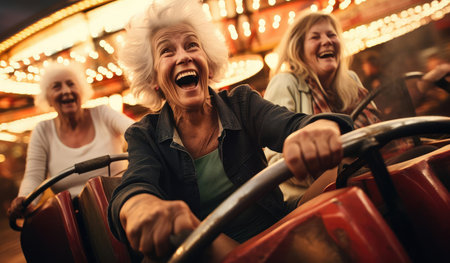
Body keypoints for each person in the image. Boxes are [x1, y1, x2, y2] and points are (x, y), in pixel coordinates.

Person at [107, 1, 353, 262]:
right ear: (153, 79)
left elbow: (294, 124)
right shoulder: (144, 135)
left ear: (209, 65)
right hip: (207, 249)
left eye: (192, 45)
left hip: (274, 225)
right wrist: (140, 205)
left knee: (350, 163)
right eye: (167, 51)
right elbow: (135, 184)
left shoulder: (242, 103)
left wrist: (322, 128)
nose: (183, 56)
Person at [263, 11, 380, 200]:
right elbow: (277, 163)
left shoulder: (352, 80)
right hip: (311, 196)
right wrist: (338, 164)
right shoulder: (284, 82)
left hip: (364, 172)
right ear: (298, 50)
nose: (326, 41)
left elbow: (377, 131)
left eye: (331, 35)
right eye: (315, 37)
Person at [7, 62, 134, 220]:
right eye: (57, 86)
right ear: (48, 98)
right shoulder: (43, 131)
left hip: (121, 200)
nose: (66, 91)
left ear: (81, 90)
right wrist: (25, 199)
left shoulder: (103, 113)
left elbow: (136, 132)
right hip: (74, 218)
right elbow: (33, 176)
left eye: (71, 84)